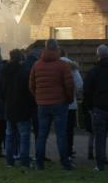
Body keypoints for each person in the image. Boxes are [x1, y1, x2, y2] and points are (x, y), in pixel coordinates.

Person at [29, 39, 75, 170]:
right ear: (57, 48)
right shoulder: (62, 65)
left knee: (42, 134)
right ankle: (65, 162)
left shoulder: (37, 65)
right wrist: (69, 99)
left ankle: (39, 162)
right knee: (61, 134)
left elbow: (31, 85)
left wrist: (38, 97)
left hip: (42, 104)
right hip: (60, 103)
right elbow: (69, 85)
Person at [0, 49, 35, 167]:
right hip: (23, 109)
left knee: (9, 135)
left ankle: (9, 161)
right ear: (21, 58)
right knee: (24, 136)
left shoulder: (4, 72)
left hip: (9, 108)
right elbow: (29, 92)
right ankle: (24, 161)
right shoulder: (25, 72)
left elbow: (2, 91)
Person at [61, 49, 83, 158]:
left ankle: (62, 151)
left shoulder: (53, 64)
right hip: (70, 103)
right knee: (69, 129)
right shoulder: (72, 66)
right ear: (66, 53)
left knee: (59, 129)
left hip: (56, 102)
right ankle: (68, 151)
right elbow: (79, 84)